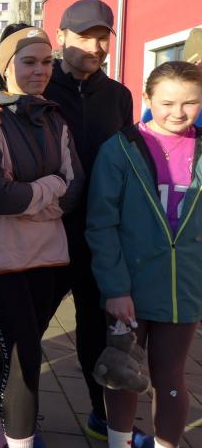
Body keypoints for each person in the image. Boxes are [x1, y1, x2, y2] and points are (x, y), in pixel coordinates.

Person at [0, 0, 134, 442]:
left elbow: (122, 163)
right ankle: (9, 425)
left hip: (98, 236)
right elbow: (3, 105)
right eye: (85, 36)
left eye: (103, 37)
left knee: (97, 330)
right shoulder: (39, 91)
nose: (95, 46)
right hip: (41, 237)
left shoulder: (118, 96)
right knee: (24, 341)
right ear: (62, 36)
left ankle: (100, 414)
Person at [0, 24, 84, 448]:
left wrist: (32, 195)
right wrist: (50, 188)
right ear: (5, 66)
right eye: (28, 61)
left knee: (14, 355)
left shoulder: (55, 118)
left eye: (47, 62)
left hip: (47, 258)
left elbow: (75, 190)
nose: (40, 70)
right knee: (24, 356)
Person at [86, 61, 202, 448]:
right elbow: (101, 224)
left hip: (184, 289)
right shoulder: (120, 149)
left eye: (190, 102)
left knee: (171, 377)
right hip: (129, 290)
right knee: (122, 372)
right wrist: (115, 288)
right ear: (147, 99)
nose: (178, 112)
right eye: (167, 103)